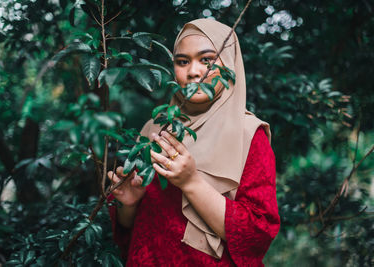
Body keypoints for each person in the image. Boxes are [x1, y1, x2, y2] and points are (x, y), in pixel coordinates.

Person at [107, 18, 280, 266]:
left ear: (229, 63)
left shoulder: (249, 134)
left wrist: (191, 183)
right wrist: (129, 205)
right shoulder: (155, 128)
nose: (194, 71)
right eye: (183, 61)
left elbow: (257, 235)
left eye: (207, 60)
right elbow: (130, 231)